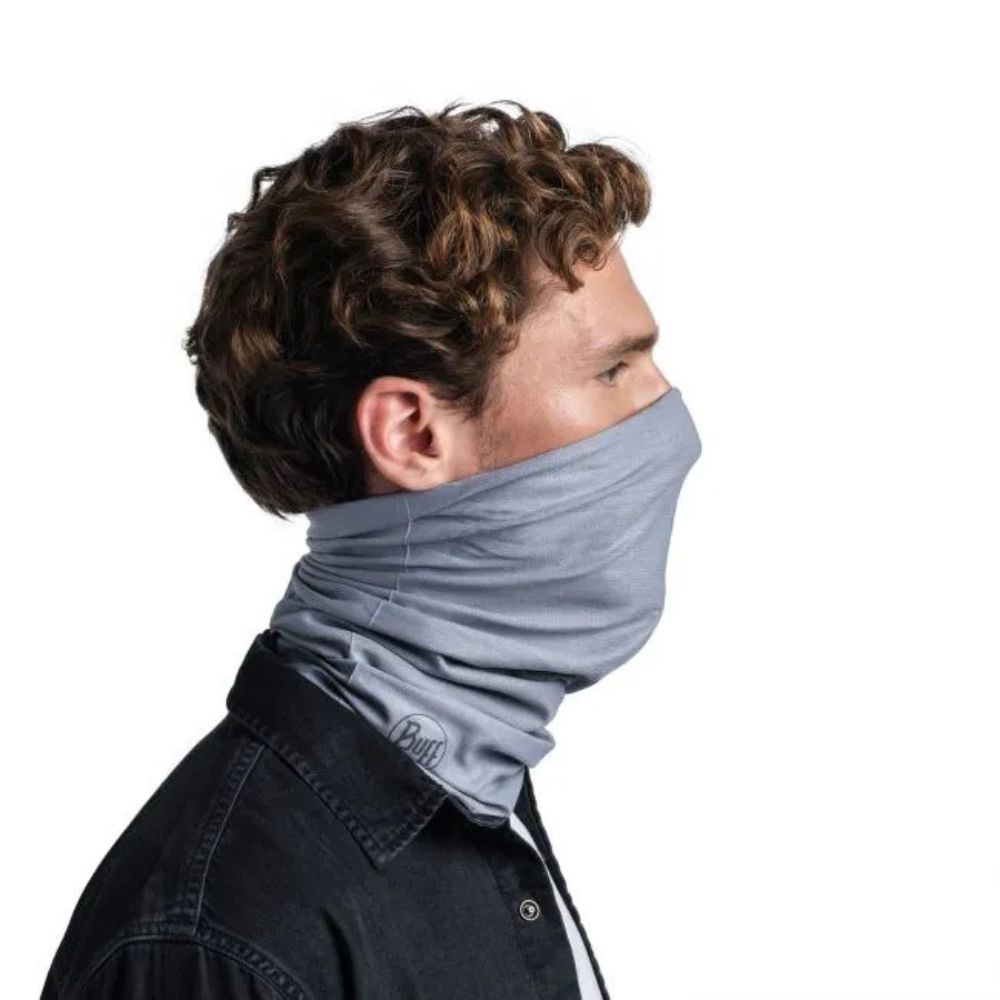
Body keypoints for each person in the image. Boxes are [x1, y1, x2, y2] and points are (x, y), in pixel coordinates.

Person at [39, 99, 702, 1000]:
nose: (668, 414)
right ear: (411, 434)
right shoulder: (220, 937)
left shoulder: (466, 775)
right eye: (613, 370)